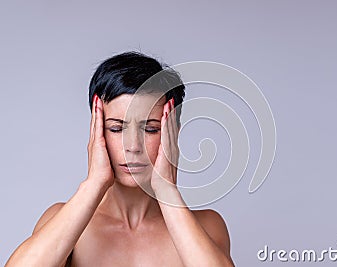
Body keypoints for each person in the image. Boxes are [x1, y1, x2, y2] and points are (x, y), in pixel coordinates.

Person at [6, 51, 235, 266]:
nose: (133, 146)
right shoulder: (64, 221)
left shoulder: (206, 226)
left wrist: (167, 192)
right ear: (97, 131)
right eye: (116, 129)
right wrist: (94, 183)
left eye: (151, 129)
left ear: (173, 133)